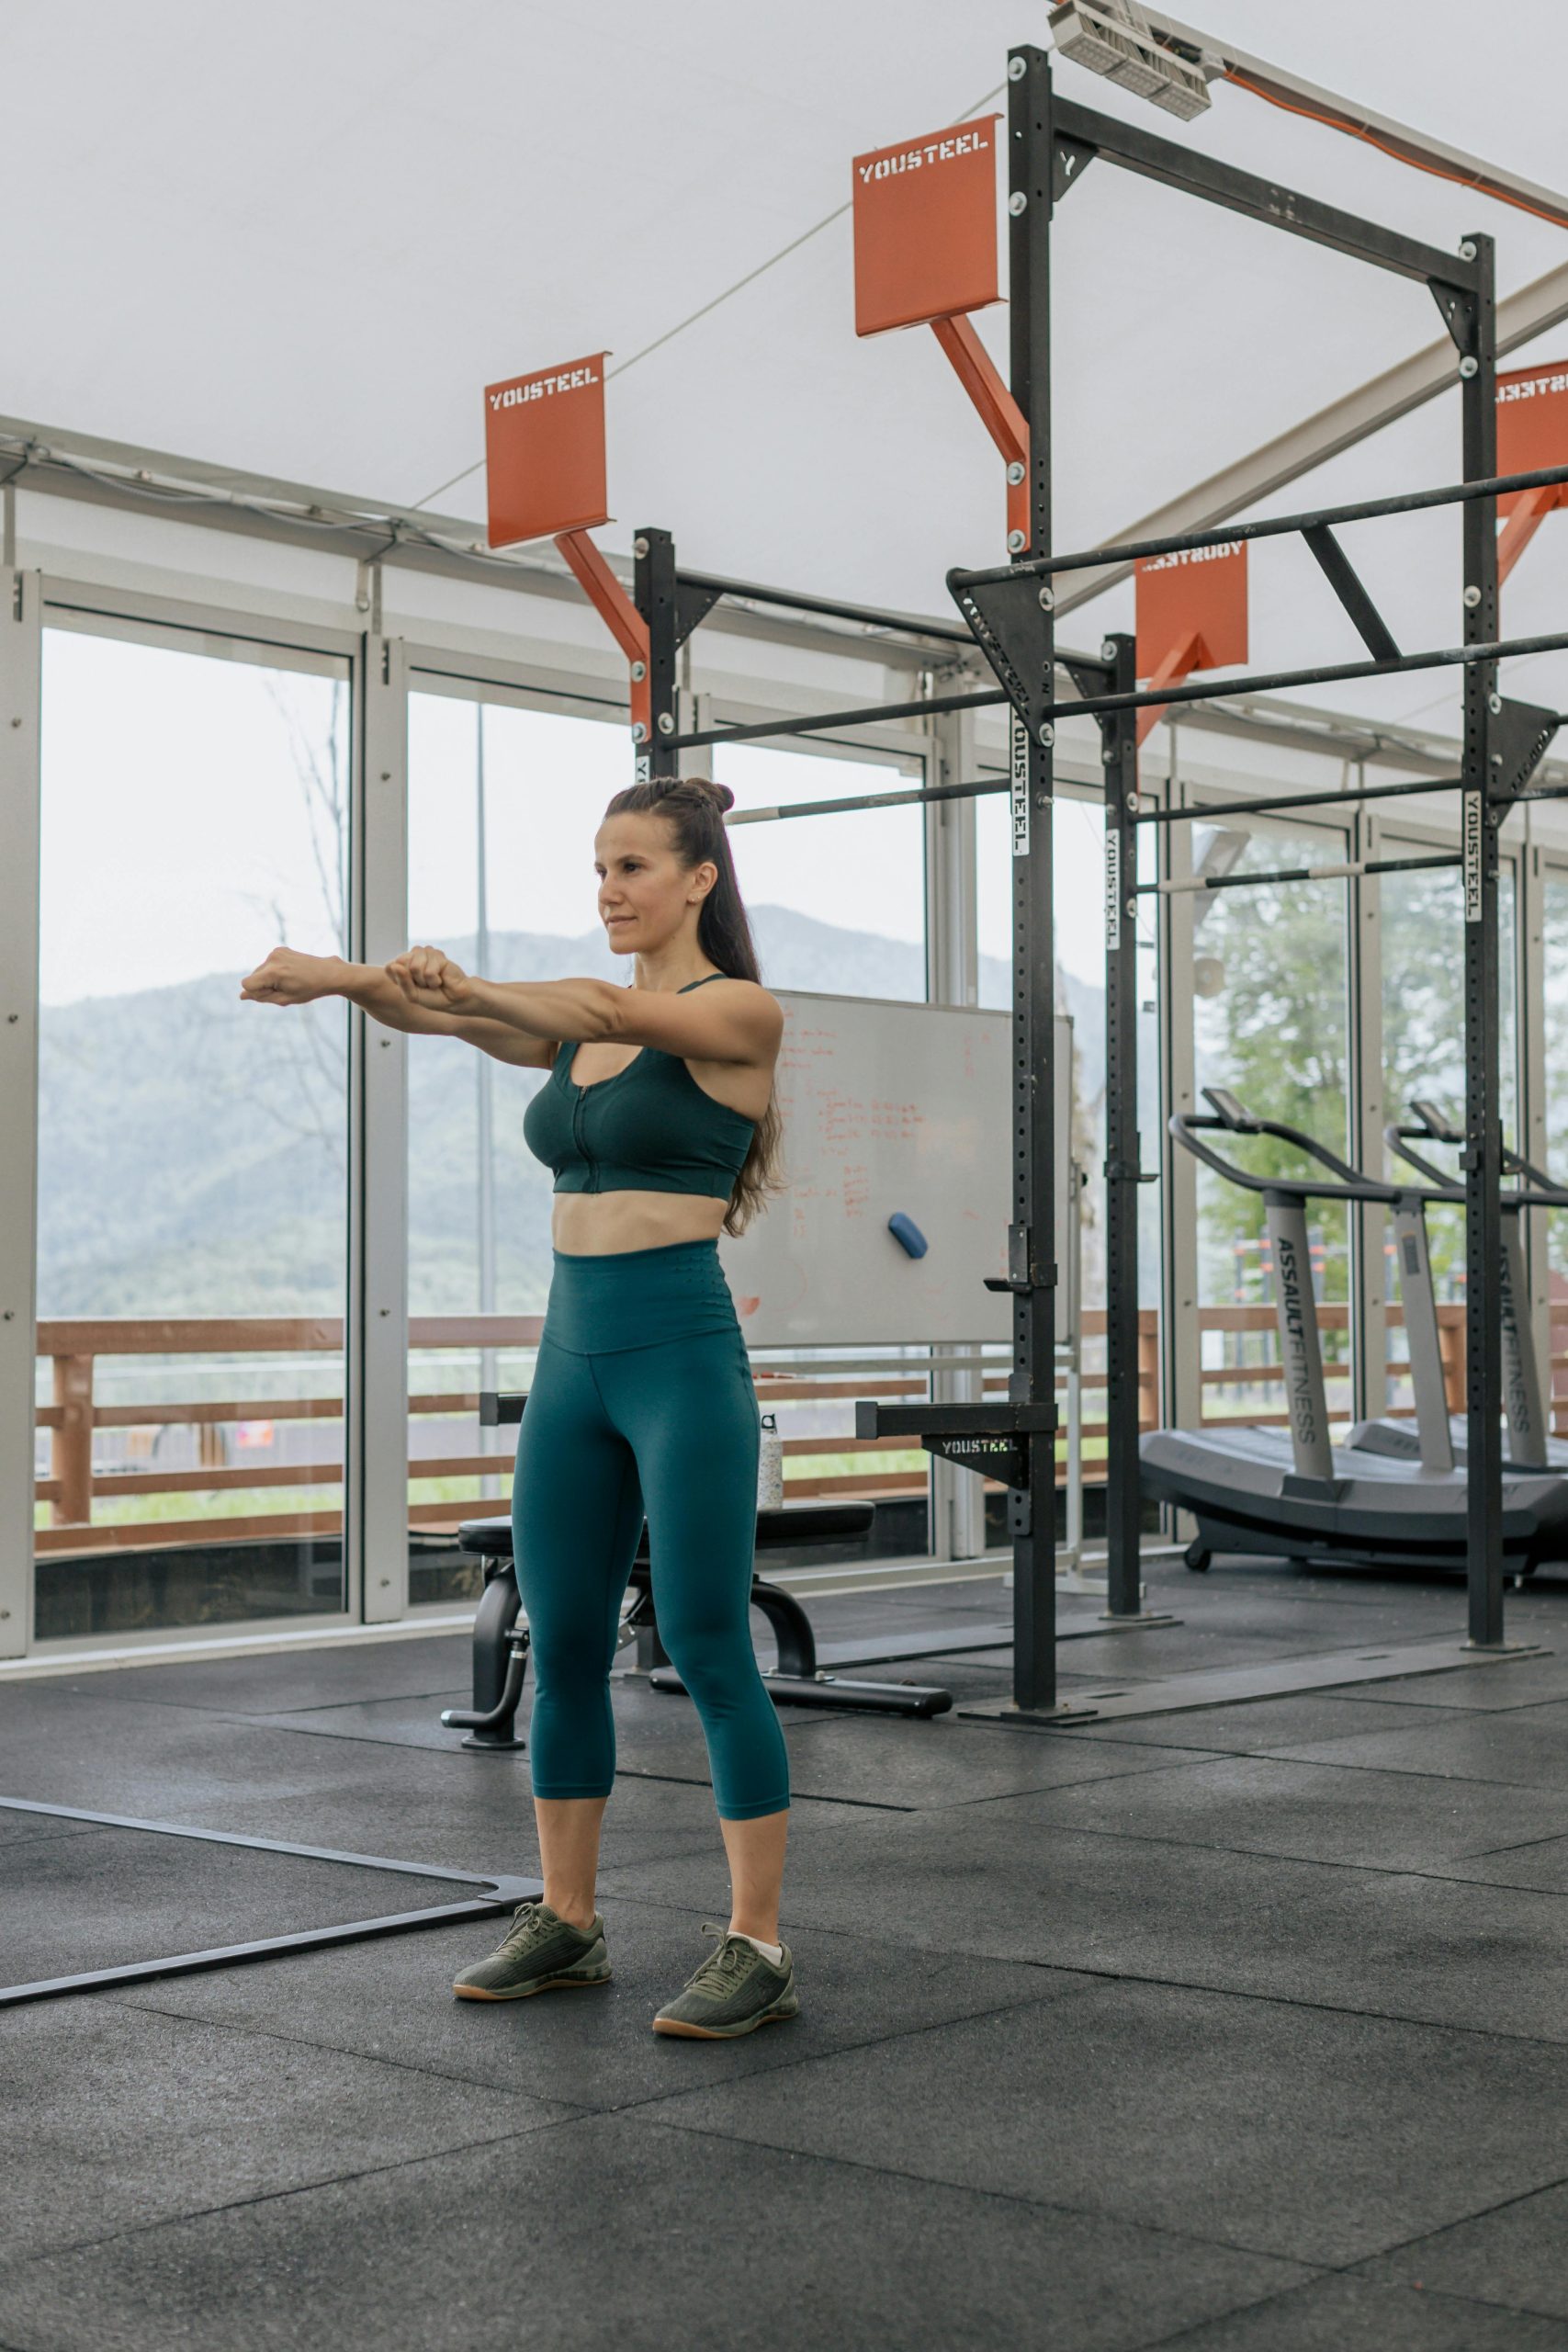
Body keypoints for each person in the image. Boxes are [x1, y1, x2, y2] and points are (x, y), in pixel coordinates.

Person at [240, 774, 796, 2040]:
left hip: (678, 1354)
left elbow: (599, 1003)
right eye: (599, 867)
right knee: (559, 1640)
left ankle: (758, 1942)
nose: (610, 888)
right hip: (572, 1358)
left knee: (707, 1644)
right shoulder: (578, 1028)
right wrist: (339, 975)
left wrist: (471, 983)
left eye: (635, 866)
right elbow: (448, 1019)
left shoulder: (737, 1011)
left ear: (698, 878)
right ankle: (569, 1921)